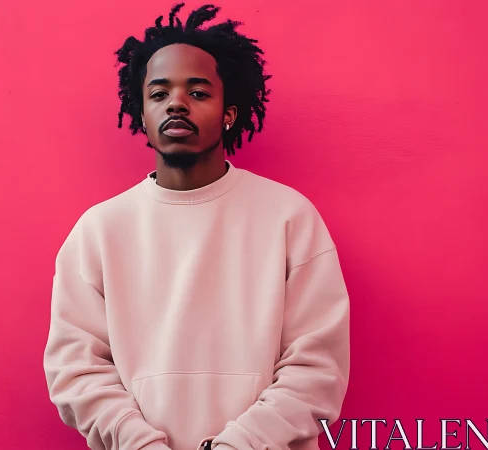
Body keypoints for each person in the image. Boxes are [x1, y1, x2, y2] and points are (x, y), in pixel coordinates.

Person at [44, 3, 350, 449]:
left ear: (229, 112)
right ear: (142, 114)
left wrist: (239, 444)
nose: (176, 103)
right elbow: (76, 371)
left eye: (199, 92)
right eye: (159, 93)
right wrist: (141, 443)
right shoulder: (99, 231)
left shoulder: (290, 217)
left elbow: (318, 369)